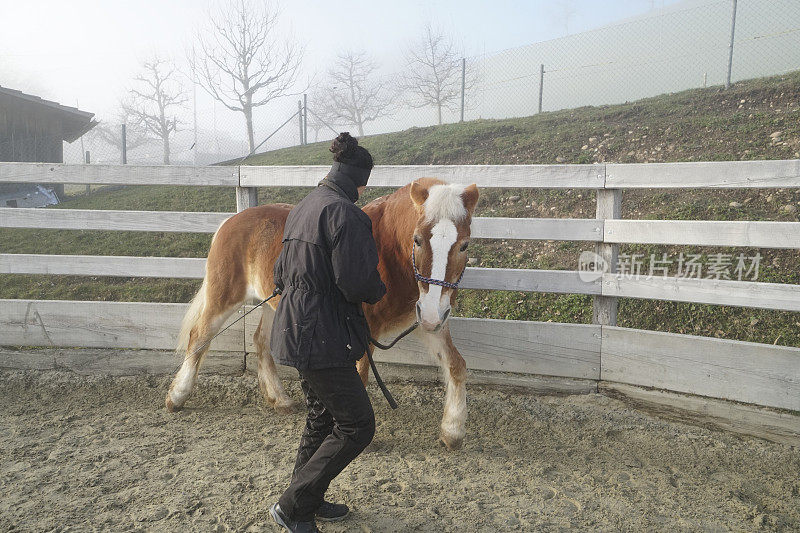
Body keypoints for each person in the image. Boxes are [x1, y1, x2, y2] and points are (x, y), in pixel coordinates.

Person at [269, 132, 387, 533]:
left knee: (321, 417)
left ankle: (308, 500)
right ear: (362, 181)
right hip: (325, 336)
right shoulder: (348, 214)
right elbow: (356, 282)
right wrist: (380, 290)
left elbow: (279, 274)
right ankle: (292, 505)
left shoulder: (304, 207)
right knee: (358, 425)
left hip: (294, 329)